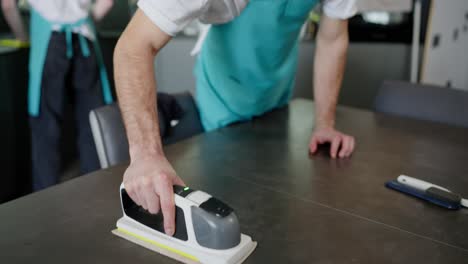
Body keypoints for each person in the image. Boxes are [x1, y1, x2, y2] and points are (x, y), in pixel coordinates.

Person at [114, 0, 357, 236]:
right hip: (223, 98)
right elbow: (134, 47)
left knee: (279, 212)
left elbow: (332, 38)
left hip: (276, 98)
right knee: (230, 211)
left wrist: (325, 123)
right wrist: (146, 155)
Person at [2, 0, 114, 190]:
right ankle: (98, 192)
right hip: (84, 39)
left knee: (46, 126)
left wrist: (22, 36)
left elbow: (7, 5)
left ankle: (46, 202)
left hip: (49, 41)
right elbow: (107, 3)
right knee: (93, 123)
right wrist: (85, 21)